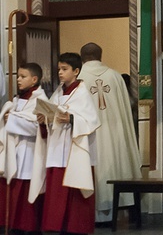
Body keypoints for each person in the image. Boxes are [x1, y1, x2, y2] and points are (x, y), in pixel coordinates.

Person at [33, 52, 101, 235]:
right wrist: (44, 120)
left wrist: (71, 119)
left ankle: (76, 227)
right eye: (59, 69)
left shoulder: (83, 93)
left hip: (76, 150)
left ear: (76, 71)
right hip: (57, 149)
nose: (60, 73)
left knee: (75, 193)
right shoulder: (58, 93)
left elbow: (92, 121)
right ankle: (57, 226)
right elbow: (51, 118)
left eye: (65, 69)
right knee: (57, 191)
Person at [79, 42, 142, 223]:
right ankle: (117, 211)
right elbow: (126, 111)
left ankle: (93, 216)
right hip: (116, 137)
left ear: (82, 57)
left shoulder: (79, 79)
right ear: (101, 55)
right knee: (116, 166)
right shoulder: (115, 77)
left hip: (90, 138)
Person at [0, 63, 46, 234]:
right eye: (18, 76)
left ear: (34, 79)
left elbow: (36, 127)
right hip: (15, 152)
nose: (18, 79)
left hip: (30, 153)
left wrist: (11, 119)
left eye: (23, 76)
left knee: (26, 194)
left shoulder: (40, 100)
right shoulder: (18, 99)